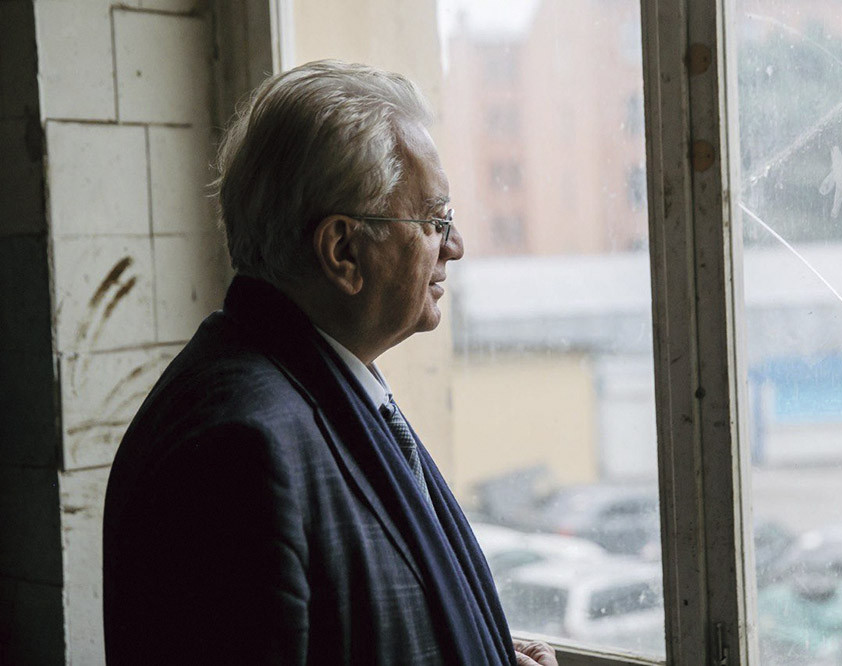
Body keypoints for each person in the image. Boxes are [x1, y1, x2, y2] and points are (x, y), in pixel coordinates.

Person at [102, 60, 557, 666]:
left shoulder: (312, 388)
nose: (455, 246)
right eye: (434, 220)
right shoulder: (239, 448)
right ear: (343, 250)